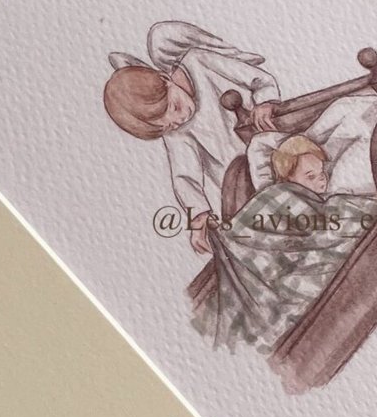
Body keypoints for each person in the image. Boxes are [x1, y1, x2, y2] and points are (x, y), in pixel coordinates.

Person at [104, 20, 282, 254]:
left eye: (175, 107)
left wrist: (265, 103)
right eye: (167, 126)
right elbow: (185, 174)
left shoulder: (200, 62)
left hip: (276, 151)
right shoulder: (175, 129)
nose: (179, 120)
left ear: (165, 80)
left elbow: (259, 80)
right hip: (241, 187)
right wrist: (198, 218)